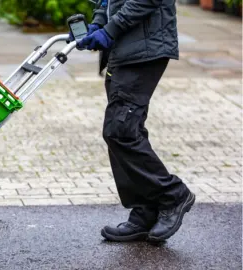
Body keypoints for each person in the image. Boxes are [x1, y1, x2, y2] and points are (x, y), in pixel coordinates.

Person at [68, 0, 195, 242]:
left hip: (146, 49)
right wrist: (97, 23)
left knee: (120, 131)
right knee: (126, 131)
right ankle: (145, 211)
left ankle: (173, 195)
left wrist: (110, 30)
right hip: (123, 51)